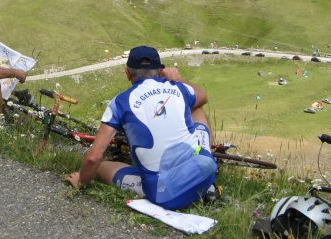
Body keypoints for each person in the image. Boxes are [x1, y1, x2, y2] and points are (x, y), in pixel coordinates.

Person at [65, 46, 217, 210]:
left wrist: (81, 181)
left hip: (165, 197)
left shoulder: (120, 102)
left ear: (127, 73)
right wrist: (178, 79)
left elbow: (93, 158)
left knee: (101, 166)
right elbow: (203, 96)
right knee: (196, 107)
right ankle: (207, 172)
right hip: (206, 172)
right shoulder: (178, 88)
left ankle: (159, 185)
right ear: (160, 70)